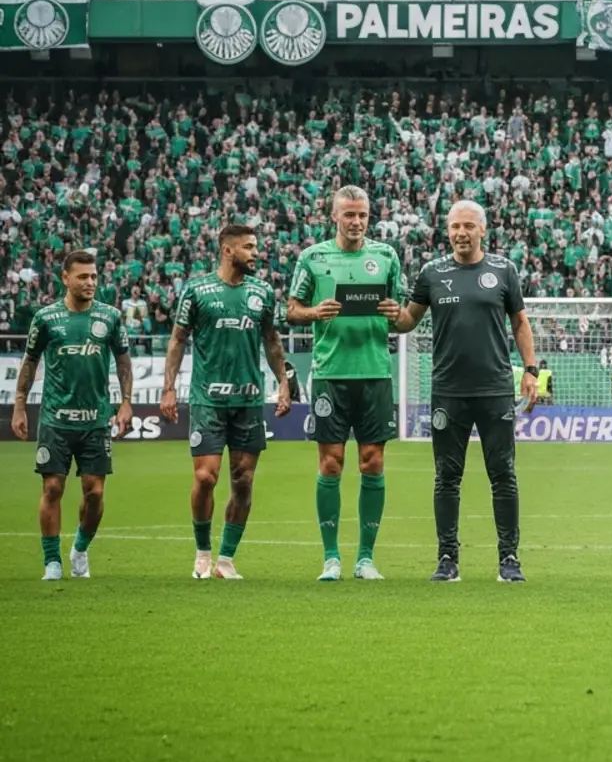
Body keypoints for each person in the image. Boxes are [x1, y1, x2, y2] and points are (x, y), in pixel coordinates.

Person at [389, 201, 537, 584]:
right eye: (455, 226)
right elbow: (408, 321)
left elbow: (520, 322)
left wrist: (531, 370)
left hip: (494, 389)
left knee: (502, 473)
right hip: (449, 391)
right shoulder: (431, 272)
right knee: (446, 477)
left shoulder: (504, 270)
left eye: (468, 226)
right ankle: (447, 558)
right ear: (447, 230)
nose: (460, 233)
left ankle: (509, 558)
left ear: (482, 230)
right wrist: (391, 314)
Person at [160, 224, 291, 580]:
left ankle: (226, 560)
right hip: (208, 400)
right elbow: (177, 340)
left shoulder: (262, 292)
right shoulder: (197, 290)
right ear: (228, 250)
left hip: (249, 401)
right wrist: (168, 387)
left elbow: (272, 341)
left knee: (243, 480)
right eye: (249, 247)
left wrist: (283, 382)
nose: (256, 253)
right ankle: (202, 552)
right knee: (205, 477)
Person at [287, 185, 404, 581]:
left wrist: (395, 311)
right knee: (331, 463)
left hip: (374, 374)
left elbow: (400, 314)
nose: (356, 222)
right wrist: (314, 312)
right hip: (331, 375)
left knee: (372, 462)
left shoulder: (386, 256)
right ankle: (332, 557)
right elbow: (290, 310)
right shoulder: (313, 257)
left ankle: (366, 559)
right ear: (333, 216)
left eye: (363, 215)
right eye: (349, 215)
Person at [10, 249, 133, 580]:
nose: (90, 282)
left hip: (95, 420)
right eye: (83, 276)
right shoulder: (46, 318)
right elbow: (30, 361)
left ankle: (79, 549)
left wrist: (126, 402)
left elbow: (123, 360)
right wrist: (19, 404)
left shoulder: (110, 316)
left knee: (94, 493)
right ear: (65, 278)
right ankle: (52, 561)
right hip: (55, 419)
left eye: (94, 276)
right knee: (52, 488)